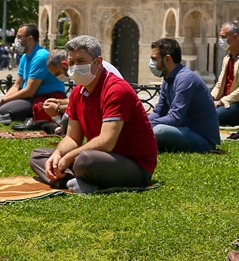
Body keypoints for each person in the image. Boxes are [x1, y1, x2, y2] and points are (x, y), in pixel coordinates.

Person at [29, 35, 158, 192]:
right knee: (39, 155)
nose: (75, 67)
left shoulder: (116, 89)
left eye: (81, 61)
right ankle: (73, 181)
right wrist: (58, 154)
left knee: (85, 160)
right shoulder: (78, 92)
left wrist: (68, 158)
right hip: (102, 158)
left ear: (98, 62)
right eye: (71, 63)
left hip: (133, 165)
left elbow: (106, 142)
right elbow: (72, 138)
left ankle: (76, 179)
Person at [0, 24, 64, 125]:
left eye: (19, 37)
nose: (16, 40)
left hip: (45, 98)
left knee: (3, 111)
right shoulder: (25, 57)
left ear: (29, 39)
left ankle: (31, 116)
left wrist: (2, 102)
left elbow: (29, 91)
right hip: (31, 97)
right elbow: (17, 85)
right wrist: (1, 100)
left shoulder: (40, 57)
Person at [149, 37, 221, 152]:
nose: (152, 63)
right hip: (183, 131)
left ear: (167, 59)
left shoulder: (185, 79)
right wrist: (140, 121)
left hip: (201, 139)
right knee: (152, 129)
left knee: (159, 131)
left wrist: (144, 125)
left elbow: (175, 118)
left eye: (154, 59)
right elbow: (159, 112)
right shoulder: (168, 79)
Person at [39, 48, 121, 133]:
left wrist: (58, 109)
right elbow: (80, 99)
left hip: (109, 113)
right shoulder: (80, 72)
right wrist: (59, 101)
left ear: (64, 64)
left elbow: (88, 104)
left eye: (58, 74)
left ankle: (60, 130)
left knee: (68, 117)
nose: (59, 78)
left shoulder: (85, 72)